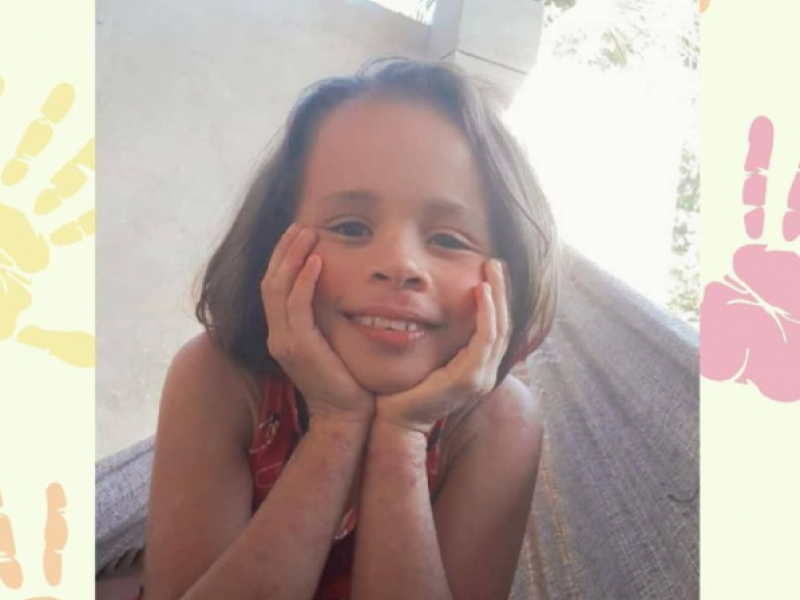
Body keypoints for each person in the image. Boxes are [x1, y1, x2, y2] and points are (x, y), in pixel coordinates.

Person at [140, 57, 559, 600]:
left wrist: (404, 436)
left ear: (509, 273)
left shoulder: (498, 422)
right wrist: (336, 424)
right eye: (351, 228)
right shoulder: (216, 378)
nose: (400, 264)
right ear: (274, 244)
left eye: (448, 240)